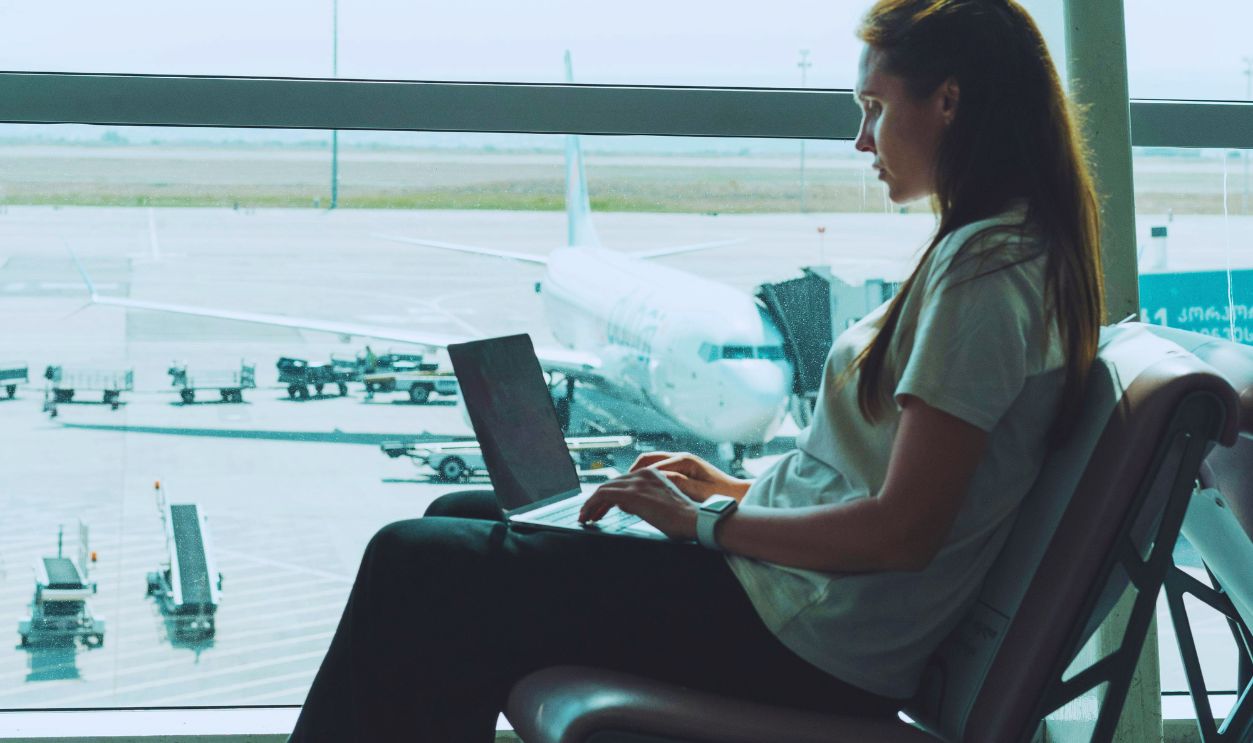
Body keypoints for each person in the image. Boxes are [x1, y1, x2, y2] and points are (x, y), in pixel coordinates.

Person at [288, 0, 1105, 739]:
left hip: (805, 636)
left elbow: (903, 530)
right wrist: (727, 490)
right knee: (460, 510)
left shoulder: (986, 274)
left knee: (416, 558)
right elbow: (886, 484)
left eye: (873, 108)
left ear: (948, 102)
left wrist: (700, 524)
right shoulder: (999, 252)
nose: (861, 140)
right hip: (793, 601)